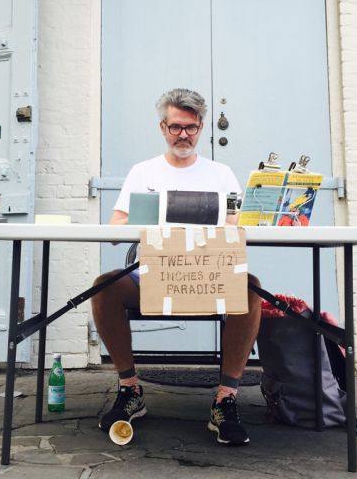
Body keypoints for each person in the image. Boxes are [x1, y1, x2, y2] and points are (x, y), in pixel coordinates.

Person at [92, 88, 262, 446]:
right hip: (151, 274)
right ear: (162, 127)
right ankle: (130, 389)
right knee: (105, 285)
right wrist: (147, 223)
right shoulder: (143, 172)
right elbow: (113, 229)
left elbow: (241, 224)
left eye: (190, 127)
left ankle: (225, 398)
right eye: (175, 127)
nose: (182, 135)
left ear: (201, 129)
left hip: (208, 273)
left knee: (250, 286)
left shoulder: (220, 173)